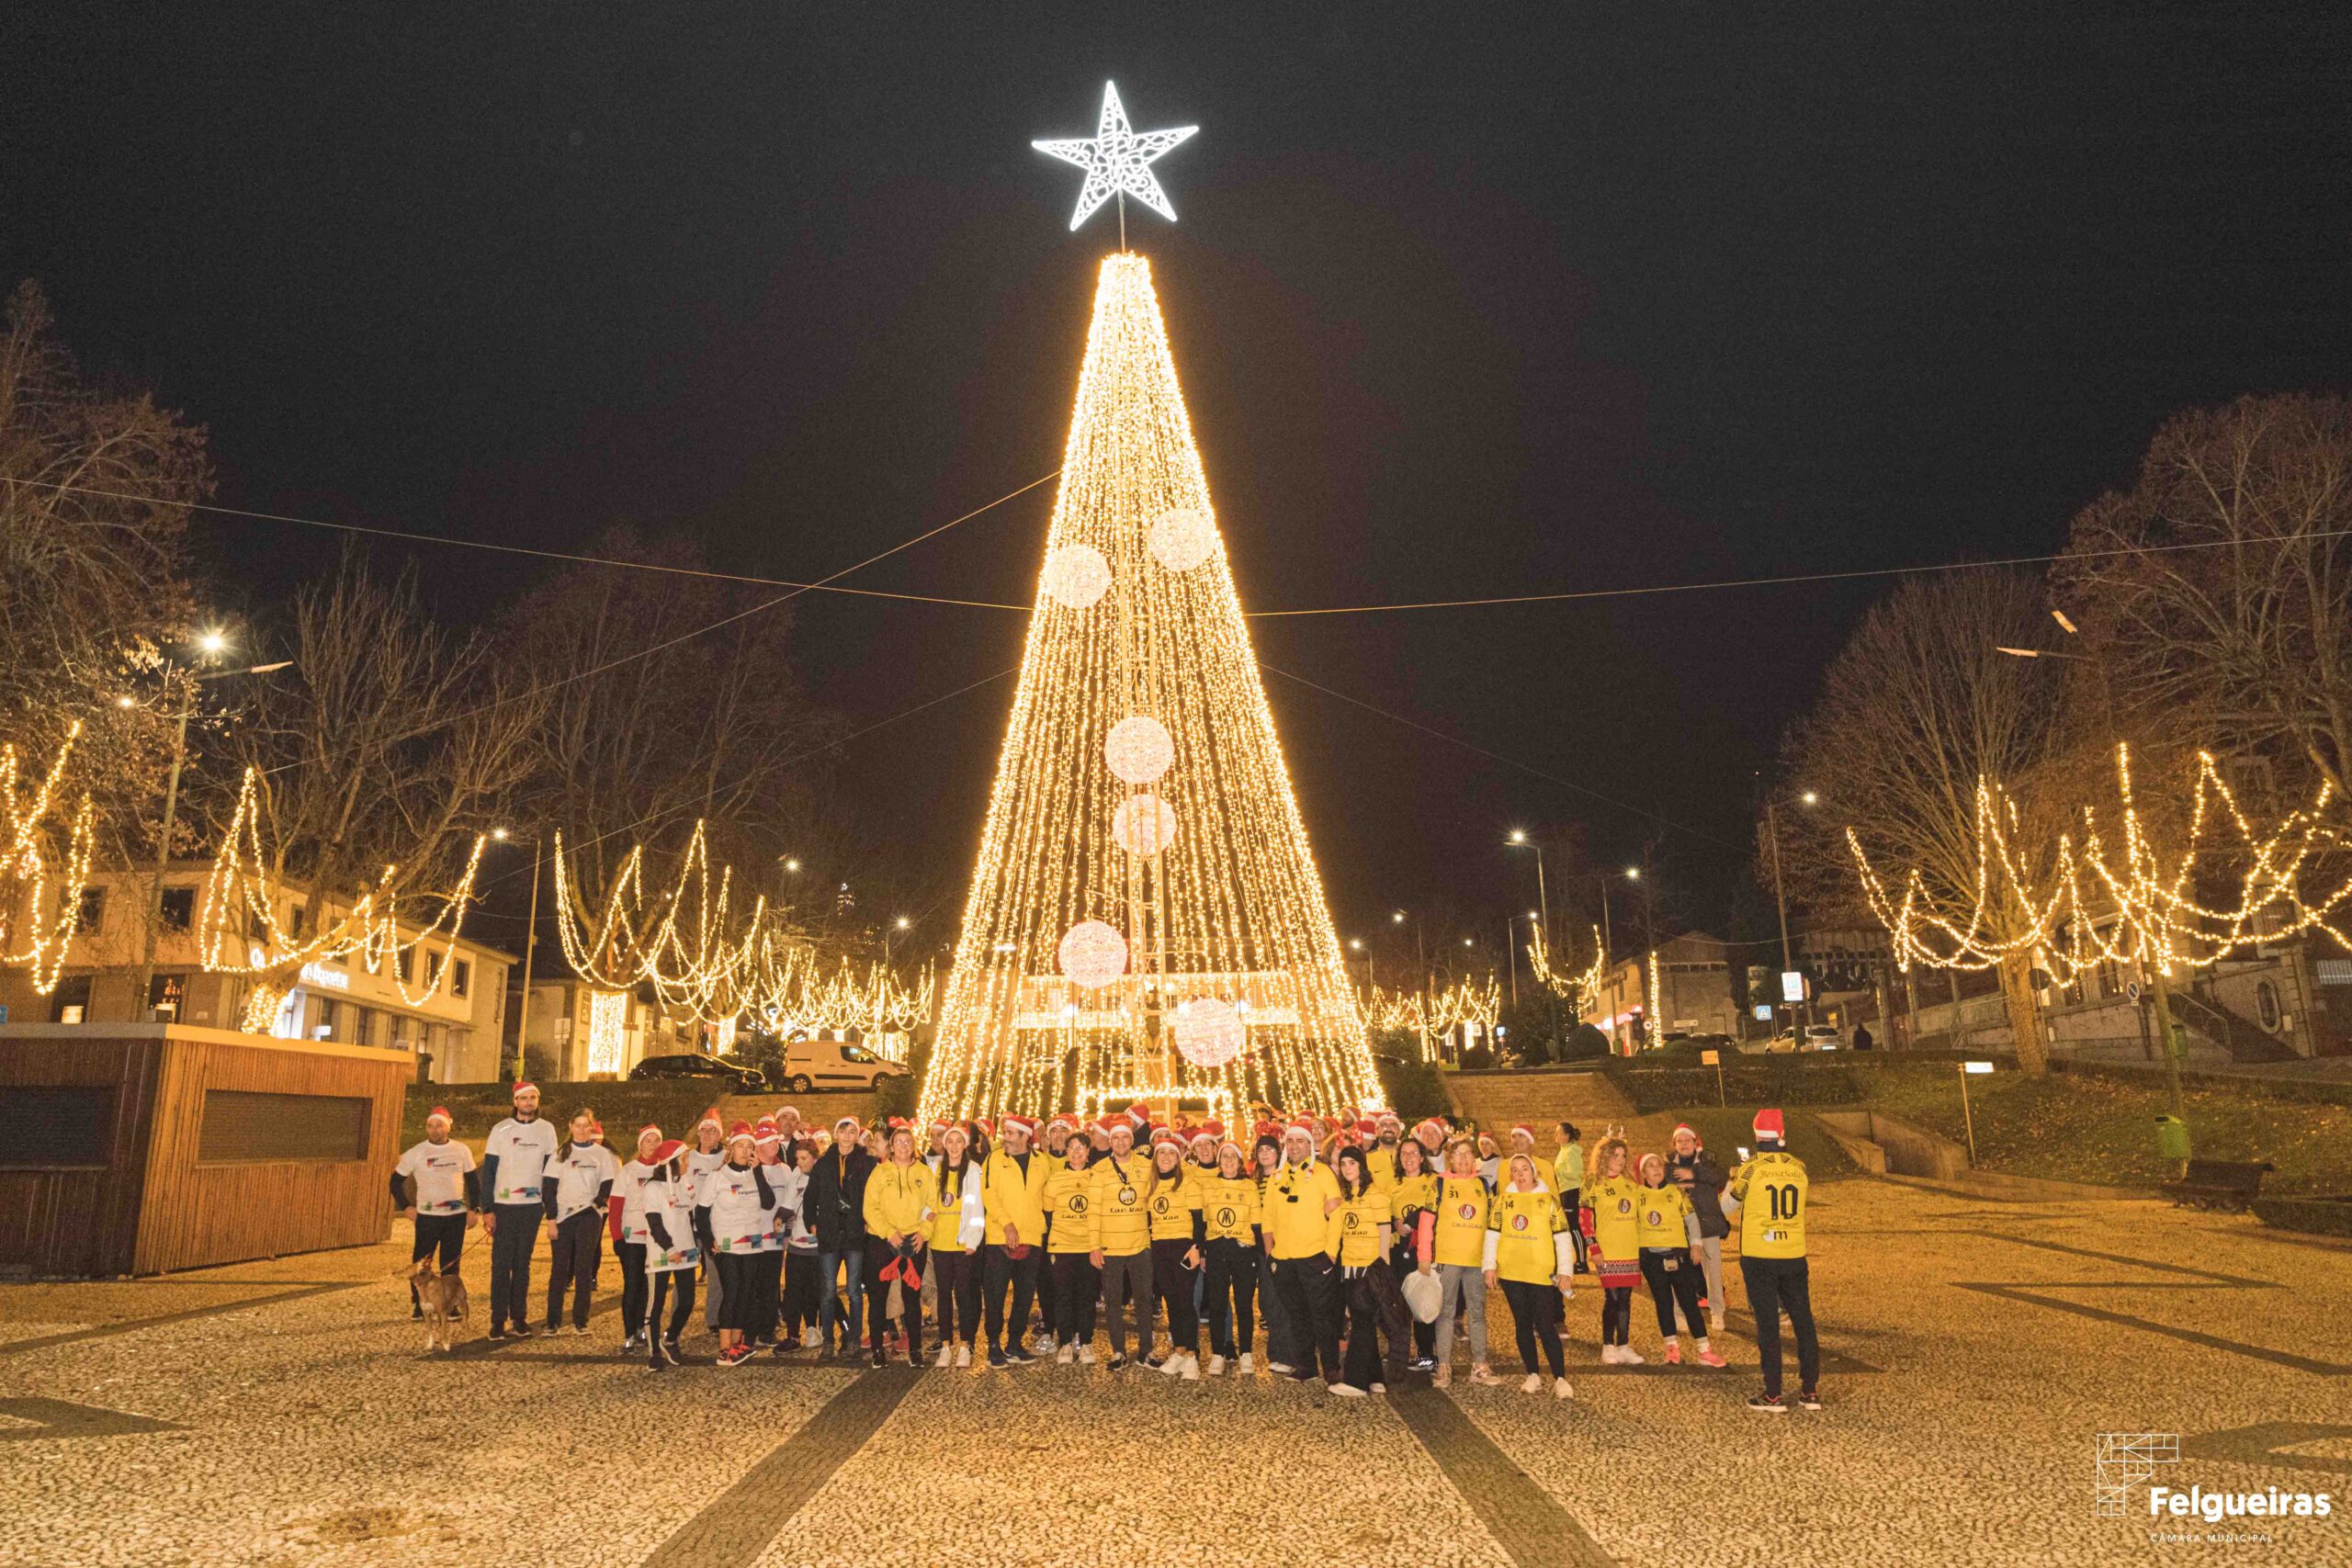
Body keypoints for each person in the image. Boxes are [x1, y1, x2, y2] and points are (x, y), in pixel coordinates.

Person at [1724, 1109, 1821, 1412]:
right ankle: (1810, 1390)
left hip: (1759, 1254)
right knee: (1803, 1320)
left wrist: (1731, 1180)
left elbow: (1727, 1206)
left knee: (1768, 1324)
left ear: (1756, 1137)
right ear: (1782, 1135)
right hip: (1793, 1251)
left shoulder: (1750, 1168)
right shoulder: (1799, 1166)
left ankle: (1773, 1393)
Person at [1263, 1118, 1347, 1392]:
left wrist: (1331, 1254)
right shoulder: (1276, 1178)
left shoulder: (1323, 1173)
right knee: (1296, 1314)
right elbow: (1268, 1218)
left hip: (1316, 1257)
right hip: (1285, 1259)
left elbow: (1337, 1214)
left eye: (1301, 1141)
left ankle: (1331, 1366)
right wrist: (1270, 1254)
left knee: (1323, 1315)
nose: (1295, 1145)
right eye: (1291, 1141)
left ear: (1309, 1145)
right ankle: (1306, 1365)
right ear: (1285, 1145)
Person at [1484, 1151, 1574, 1398]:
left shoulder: (1549, 1201)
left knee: (1546, 1325)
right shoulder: (1503, 1201)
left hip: (1540, 1272)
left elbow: (1563, 1237)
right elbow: (1492, 1235)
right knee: (1522, 1324)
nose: (1520, 1174)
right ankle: (1532, 1373)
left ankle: (1560, 1377)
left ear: (1534, 1172)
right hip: (1512, 1273)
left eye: (1525, 1169)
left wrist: (1565, 1270)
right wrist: (1489, 1266)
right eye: (1515, 1170)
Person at [481, 1081, 560, 1341]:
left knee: (522, 1265)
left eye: (533, 1098)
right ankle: (497, 1320)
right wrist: (488, 1209)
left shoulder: (547, 1130)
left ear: (538, 1101)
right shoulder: (500, 1129)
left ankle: (520, 1318)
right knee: (501, 1265)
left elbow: (551, 1172)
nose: (528, 1103)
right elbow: (489, 1172)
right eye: (523, 1098)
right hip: (504, 1206)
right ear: (515, 1101)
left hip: (531, 1207)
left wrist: (550, 1208)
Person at [1635, 1152, 1727, 1369]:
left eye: (1659, 1164)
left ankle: (1704, 1350)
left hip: (1678, 1254)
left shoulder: (1675, 1193)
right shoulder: (1636, 1195)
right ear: (1643, 1173)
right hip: (1652, 1258)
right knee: (1664, 1303)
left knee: (1689, 1302)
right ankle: (1672, 1347)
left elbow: (1691, 1217)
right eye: (1650, 1166)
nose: (1656, 1169)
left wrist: (1696, 1243)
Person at [391, 1106, 478, 1318]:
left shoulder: (461, 1150)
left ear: (448, 1126)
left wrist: (474, 1209)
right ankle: (420, 1304)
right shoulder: (417, 1152)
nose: (435, 1130)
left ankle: (449, 1305)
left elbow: (473, 1182)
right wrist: (407, 1207)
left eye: (439, 1125)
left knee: (451, 1263)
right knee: (422, 1263)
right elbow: (395, 1182)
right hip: (428, 1217)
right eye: (430, 1126)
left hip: (455, 1217)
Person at [704, 1124, 779, 1368]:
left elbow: (769, 1203)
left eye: (750, 1146)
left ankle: (737, 1344)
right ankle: (724, 1348)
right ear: (731, 1148)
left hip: (752, 1243)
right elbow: (701, 1211)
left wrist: (757, 1172)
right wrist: (708, 1240)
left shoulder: (755, 1174)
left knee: (746, 1293)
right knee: (733, 1290)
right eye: (740, 1146)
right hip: (727, 1244)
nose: (745, 1151)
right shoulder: (718, 1176)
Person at [1430, 1137, 1499, 1388]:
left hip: (1476, 1259)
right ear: (1450, 1158)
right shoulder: (1439, 1183)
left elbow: (1494, 1223)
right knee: (1446, 1312)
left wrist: (1493, 1260)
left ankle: (1479, 1364)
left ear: (1474, 1158)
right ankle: (1444, 1366)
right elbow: (1428, 1221)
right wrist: (1426, 1257)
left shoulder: (1484, 1184)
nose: (1463, 1158)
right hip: (1448, 1258)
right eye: (1458, 1154)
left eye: (1468, 1154)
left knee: (1478, 1313)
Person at [864, 1122, 934, 1369]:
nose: (904, 1146)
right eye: (899, 1142)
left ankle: (915, 1349)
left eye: (908, 1142)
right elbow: (869, 1208)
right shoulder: (880, 1173)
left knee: (911, 1298)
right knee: (878, 1297)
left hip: (913, 1241)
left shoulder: (924, 1173)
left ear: (914, 1146)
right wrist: (888, 1233)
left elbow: (932, 1208)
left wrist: (924, 1232)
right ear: (891, 1147)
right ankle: (876, 1349)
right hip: (883, 1242)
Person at [982, 1113, 1051, 1368]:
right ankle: (993, 1344)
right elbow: (988, 1194)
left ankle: (1014, 1342)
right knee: (995, 1294)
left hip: (1031, 1238)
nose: (1006, 1138)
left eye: (1011, 1133)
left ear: (1025, 1136)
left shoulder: (1041, 1162)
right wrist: (1007, 1224)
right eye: (1005, 1133)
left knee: (1024, 1295)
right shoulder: (994, 1159)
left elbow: (1048, 1195)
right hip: (1000, 1238)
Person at [541, 1111, 617, 1335]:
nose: (582, 1130)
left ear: (592, 1128)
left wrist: (598, 1203)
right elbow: (549, 1189)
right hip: (564, 1216)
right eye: (578, 1126)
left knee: (583, 1269)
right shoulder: (560, 1154)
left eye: (586, 1126)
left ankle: (580, 1321)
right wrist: (552, 1219)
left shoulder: (601, 1154)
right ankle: (552, 1321)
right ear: (571, 1126)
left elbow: (608, 1182)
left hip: (588, 1216)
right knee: (559, 1270)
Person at [1087, 1115, 1154, 1370]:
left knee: (1144, 1299)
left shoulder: (1147, 1166)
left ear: (1132, 1139)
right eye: (1115, 1137)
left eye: (1125, 1136)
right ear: (1110, 1140)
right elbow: (1093, 1210)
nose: (1120, 1141)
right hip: (1110, 1246)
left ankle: (1146, 1350)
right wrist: (1094, 1245)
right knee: (1113, 1301)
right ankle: (1118, 1351)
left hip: (1140, 1243)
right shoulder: (1100, 1169)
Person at [1330, 1145, 1396, 1396]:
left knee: (1361, 1323)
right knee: (1363, 1321)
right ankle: (1375, 1377)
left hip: (1370, 1269)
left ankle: (1356, 1381)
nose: (1347, 1168)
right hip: (1350, 1267)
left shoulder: (1377, 1195)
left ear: (1362, 1166)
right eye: (1343, 1164)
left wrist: (1383, 1273)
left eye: (1352, 1163)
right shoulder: (1345, 1196)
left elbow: (1384, 1236)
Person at [808, 1114, 875, 1359]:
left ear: (857, 1136)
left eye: (852, 1132)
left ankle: (855, 1338)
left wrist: (868, 1222)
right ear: (836, 1134)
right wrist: (811, 1223)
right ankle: (828, 1340)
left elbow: (873, 1196)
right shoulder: (824, 1164)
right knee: (827, 1290)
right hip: (829, 1234)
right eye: (843, 1131)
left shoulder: (867, 1163)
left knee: (855, 1290)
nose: (847, 1136)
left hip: (855, 1234)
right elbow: (810, 1196)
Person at [1143, 1132, 1205, 1380]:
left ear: (1178, 1159)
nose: (1166, 1157)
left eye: (1171, 1153)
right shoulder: (1152, 1186)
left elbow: (1199, 1221)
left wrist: (1197, 1247)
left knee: (1185, 1301)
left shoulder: (1189, 1184)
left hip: (1183, 1247)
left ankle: (1191, 1356)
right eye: (1162, 1153)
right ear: (1156, 1158)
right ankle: (1178, 1350)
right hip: (1160, 1247)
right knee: (1171, 1301)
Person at [636, 1140, 700, 1370]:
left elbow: (690, 1216)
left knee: (687, 1301)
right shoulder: (653, 1187)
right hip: (662, 1254)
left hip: (686, 1250)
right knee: (655, 1304)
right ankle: (654, 1352)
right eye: (684, 1159)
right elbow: (654, 1223)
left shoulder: (684, 1183)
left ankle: (670, 1338)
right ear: (671, 1162)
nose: (687, 1163)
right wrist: (669, 1248)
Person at [1200, 1136, 1261, 1376]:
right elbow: (1203, 1221)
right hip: (1217, 1250)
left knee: (1244, 1305)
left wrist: (1255, 1251)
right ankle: (1217, 1353)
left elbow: (1256, 1222)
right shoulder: (1210, 1187)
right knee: (1217, 1304)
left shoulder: (1249, 1187)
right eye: (1224, 1156)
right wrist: (1204, 1251)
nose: (1228, 1161)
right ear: (1219, 1160)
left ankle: (1246, 1352)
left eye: (1232, 1157)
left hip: (1243, 1251)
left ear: (1239, 1161)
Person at [1582, 1135, 1645, 1364]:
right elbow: (1584, 1218)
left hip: (1629, 1248)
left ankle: (1624, 1345)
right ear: (1603, 1156)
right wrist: (1593, 1247)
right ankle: (1608, 1344)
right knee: (1612, 1297)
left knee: (1626, 1298)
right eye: (1615, 1155)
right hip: (1607, 1250)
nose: (1620, 1159)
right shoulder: (1591, 1182)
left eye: (1623, 1156)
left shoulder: (1631, 1182)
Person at [928, 1123, 986, 1368]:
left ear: (965, 1145)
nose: (953, 1147)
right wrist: (926, 1216)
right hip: (939, 1241)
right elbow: (928, 1201)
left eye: (958, 1142)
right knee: (943, 1294)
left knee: (964, 1294)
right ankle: (944, 1344)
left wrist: (973, 1239)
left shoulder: (973, 1170)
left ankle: (966, 1343)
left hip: (962, 1242)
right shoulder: (934, 1168)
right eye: (949, 1142)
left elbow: (976, 1208)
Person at [1664, 1122, 1729, 1333]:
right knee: (1678, 1273)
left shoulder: (1706, 1161)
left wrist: (1694, 1174)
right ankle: (1679, 1314)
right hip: (1680, 1227)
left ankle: (1717, 1312)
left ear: (1695, 1142)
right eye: (1679, 1141)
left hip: (1706, 1225)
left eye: (1687, 1140)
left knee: (1713, 1272)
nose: (1684, 1144)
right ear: (1675, 1144)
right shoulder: (1668, 1165)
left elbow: (1720, 1177)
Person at [1044, 1134, 1099, 1363]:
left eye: (1080, 1147)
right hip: (1063, 1246)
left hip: (1089, 1247)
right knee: (1063, 1296)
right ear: (1066, 1151)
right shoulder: (1056, 1179)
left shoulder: (1098, 1177)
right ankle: (1065, 1342)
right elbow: (1047, 1213)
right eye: (1071, 1148)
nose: (1076, 1152)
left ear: (1088, 1151)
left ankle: (1085, 1342)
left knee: (1087, 1297)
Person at [1389, 1136, 1440, 1371]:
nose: (1409, 1158)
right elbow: (1384, 1215)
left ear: (1421, 1157)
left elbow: (1437, 1210)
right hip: (1400, 1251)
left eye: (1413, 1153)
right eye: (1404, 1154)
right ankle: (1399, 1353)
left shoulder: (1433, 1181)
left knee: (1423, 1301)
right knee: (1399, 1305)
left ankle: (1427, 1355)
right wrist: (1395, 1224)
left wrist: (1412, 1220)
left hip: (1423, 1250)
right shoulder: (1393, 1184)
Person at [610, 1125, 662, 1353]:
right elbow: (616, 1206)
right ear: (640, 1145)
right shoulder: (628, 1171)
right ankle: (629, 1332)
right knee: (632, 1285)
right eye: (648, 1141)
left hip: (656, 1239)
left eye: (656, 1141)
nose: (653, 1145)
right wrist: (617, 1236)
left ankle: (644, 1328)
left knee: (649, 1289)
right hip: (632, 1237)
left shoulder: (664, 1170)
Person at [1251, 1134, 1296, 1374]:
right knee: (1268, 1303)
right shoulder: (1253, 1181)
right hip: (1260, 1249)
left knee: (1284, 1301)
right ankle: (1277, 1351)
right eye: (1261, 1150)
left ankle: (1288, 1354)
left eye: (1270, 1149)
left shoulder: (1287, 1178)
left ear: (1278, 1153)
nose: (1266, 1153)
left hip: (1284, 1246)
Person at [775, 1136, 820, 1353]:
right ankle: (792, 1334)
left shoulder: (822, 1176)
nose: (800, 1163)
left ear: (814, 1158)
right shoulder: (796, 1175)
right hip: (796, 1244)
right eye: (797, 1159)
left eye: (804, 1158)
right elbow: (788, 1203)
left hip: (816, 1246)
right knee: (792, 1292)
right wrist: (780, 1218)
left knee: (813, 1291)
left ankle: (813, 1328)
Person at [684, 1111, 727, 1335]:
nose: (708, 1134)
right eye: (704, 1130)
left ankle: (713, 1318)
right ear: (698, 1133)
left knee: (716, 1274)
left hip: (714, 1225)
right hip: (689, 1224)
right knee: (684, 1274)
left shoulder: (726, 1157)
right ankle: (678, 1317)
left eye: (713, 1131)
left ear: (720, 1135)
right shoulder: (688, 1157)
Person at [1554, 1122, 1588, 1273]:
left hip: (1572, 1192)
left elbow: (1576, 1173)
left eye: (1558, 1132)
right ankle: (1578, 1260)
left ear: (1566, 1136)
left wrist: (1558, 1172)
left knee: (1575, 1228)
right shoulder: (1564, 1150)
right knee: (1571, 1227)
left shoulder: (1571, 1150)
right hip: (1565, 1191)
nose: (1556, 1135)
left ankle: (1582, 1262)